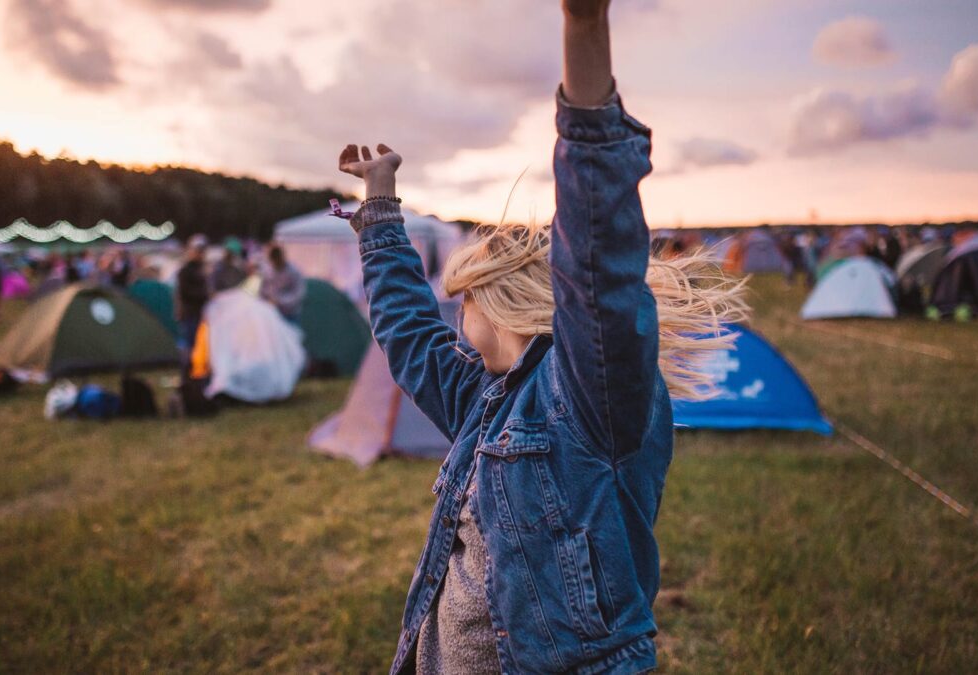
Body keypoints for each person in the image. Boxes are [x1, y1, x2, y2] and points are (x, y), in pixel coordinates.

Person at [335, 2, 746, 672]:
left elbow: (598, 260)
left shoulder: (588, 395)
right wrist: (380, 205)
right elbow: (409, 334)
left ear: (496, 304)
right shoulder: (484, 396)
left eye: (461, 300)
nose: (452, 318)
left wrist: (584, 32)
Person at [176, 236, 210, 362]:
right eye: (198, 251)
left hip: (200, 313)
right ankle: (188, 369)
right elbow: (185, 292)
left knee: (198, 344)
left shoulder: (202, 269)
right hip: (190, 313)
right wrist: (205, 295)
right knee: (189, 344)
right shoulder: (186, 271)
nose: (201, 254)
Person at [259, 244, 306, 322]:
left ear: (282, 257)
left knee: (291, 333)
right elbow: (263, 290)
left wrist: (280, 301)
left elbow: (299, 294)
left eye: (278, 259)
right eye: (273, 260)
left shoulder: (293, 271)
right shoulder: (268, 271)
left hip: (290, 313)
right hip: (273, 313)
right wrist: (266, 301)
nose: (276, 262)